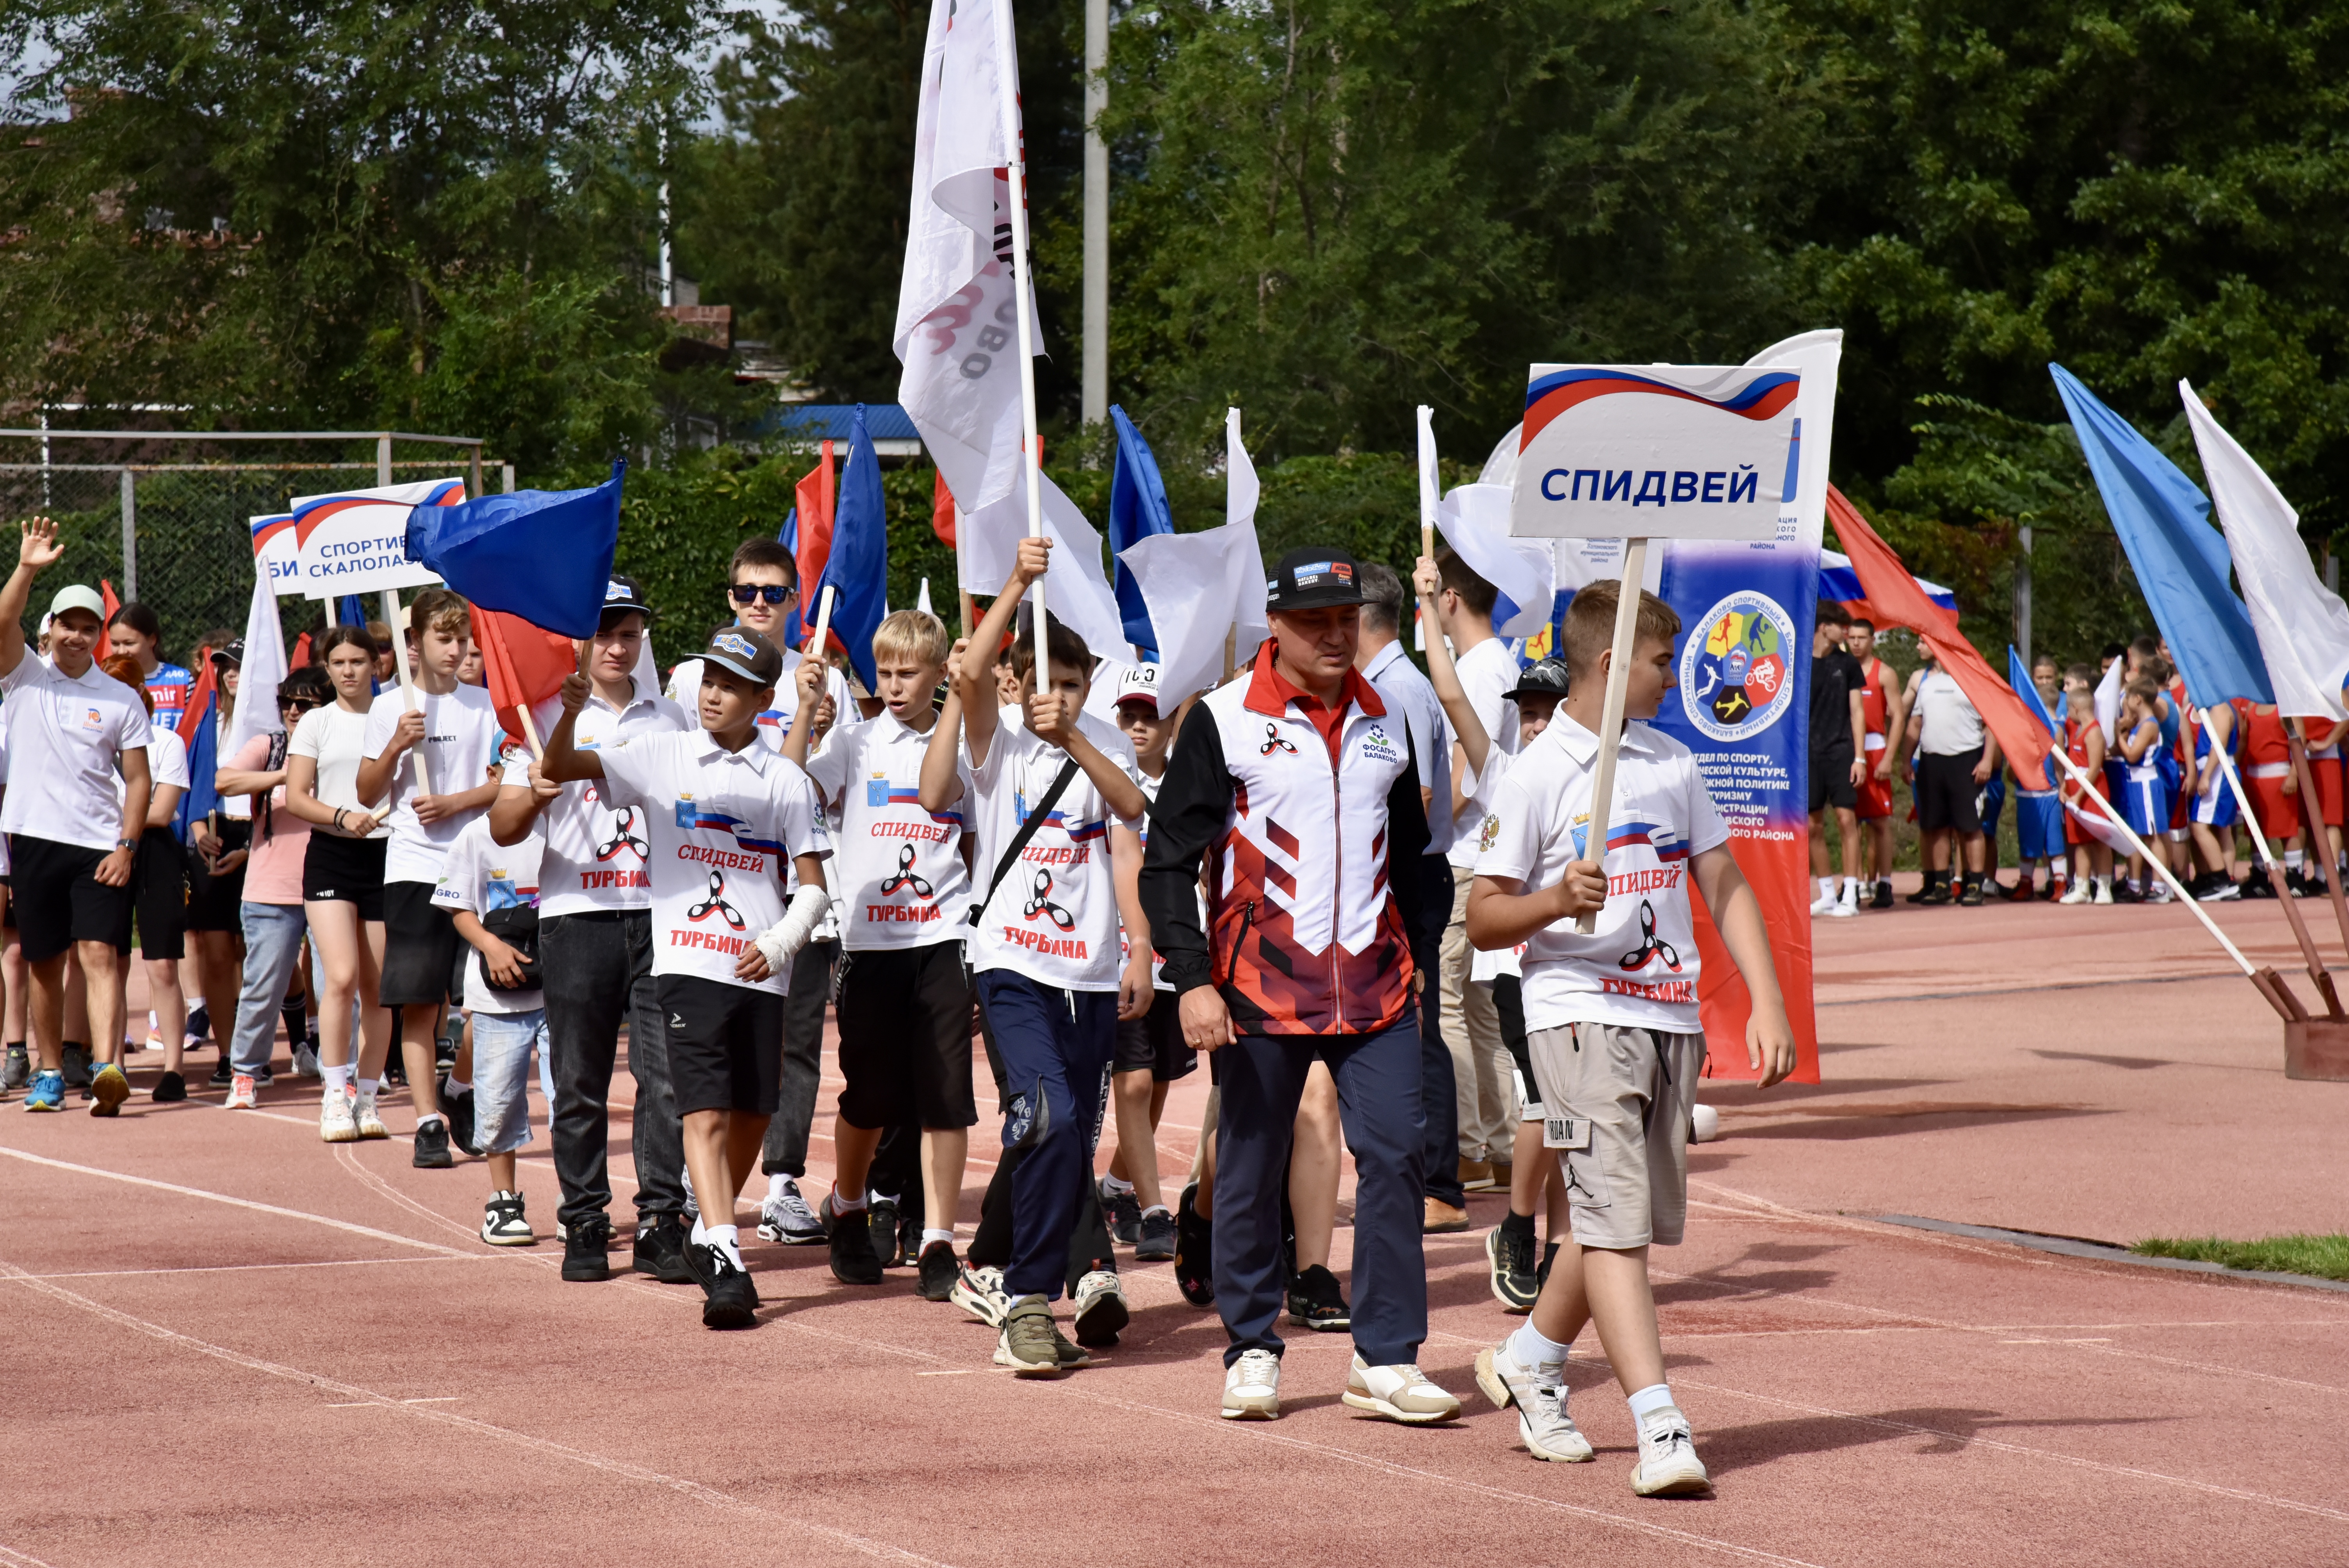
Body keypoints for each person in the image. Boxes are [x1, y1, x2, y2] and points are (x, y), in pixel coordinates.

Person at [1466, 577, 1795, 1495]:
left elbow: (1723, 884)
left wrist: (1766, 1003)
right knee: (1614, 1226)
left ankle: (1530, 1357)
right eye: (1659, 663)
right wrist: (1551, 900)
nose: (1671, 681)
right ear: (1611, 667)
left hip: (1668, 1016)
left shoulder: (1670, 763)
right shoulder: (1535, 772)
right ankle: (1659, 1421)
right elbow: (1487, 916)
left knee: (1617, 1220)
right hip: (1573, 1015)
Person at [1143, 545, 1454, 1425]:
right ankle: (1248, 1345)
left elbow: (1414, 855)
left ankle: (1386, 1357)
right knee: (1248, 1168)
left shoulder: (1386, 716)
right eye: (1314, 620)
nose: (1333, 634)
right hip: (1256, 990)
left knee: (1396, 1155)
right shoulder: (1224, 717)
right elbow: (1167, 864)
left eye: (1347, 618)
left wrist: (1420, 950)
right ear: (1273, 624)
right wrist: (1192, 979)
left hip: (1377, 986)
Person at [545, 624, 832, 1329]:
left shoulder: (789, 780)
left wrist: (785, 938)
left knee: (754, 1113)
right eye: (708, 680)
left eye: (730, 685)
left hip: (762, 969)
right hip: (686, 962)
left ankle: (707, 1228)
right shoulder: (660, 752)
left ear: (764, 698)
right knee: (701, 1109)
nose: (712, 695)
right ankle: (727, 1255)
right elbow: (565, 767)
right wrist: (570, 713)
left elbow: (816, 885)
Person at [920, 538, 1150, 1375]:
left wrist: (1139, 952)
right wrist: (1016, 579)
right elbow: (969, 678)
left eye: (1073, 682)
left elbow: (1130, 817)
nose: (1057, 695)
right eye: (1043, 680)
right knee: (1045, 1115)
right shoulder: (998, 737)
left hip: (1089, 970)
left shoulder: (1103, 741)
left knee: (1064, 1139)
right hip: (1011, 960)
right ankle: (1025, 1298)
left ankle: (1026, 1283)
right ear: (1020, 678)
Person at [487, 577, 695, 1283]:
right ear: (579, 640)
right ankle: (584, 1218)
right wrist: (539, 790)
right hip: (576, 919)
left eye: (629, 632)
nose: (617, 645)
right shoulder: (541, 716)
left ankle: (664, 1220)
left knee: (663, 1078)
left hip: (659, 915)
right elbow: (505, 824)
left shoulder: (671, 719)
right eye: (604, 632)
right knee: (578, 1079)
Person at [780, 608, 978, 1297]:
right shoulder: (853, 741)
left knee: (948, 1095)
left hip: (943, 936)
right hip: (868, 941)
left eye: (908, 673)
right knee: (870, 1096)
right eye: (885, 672)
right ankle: (850, 1204)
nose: (894, 685)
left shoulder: (965, 745)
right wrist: (807, 713)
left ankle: (939, 1240)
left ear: (938, 676)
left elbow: (974, 841)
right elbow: (786, 787)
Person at [670, 540, 844, 1252]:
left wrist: (812, 716)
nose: (760, 605)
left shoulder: (822, 683)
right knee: (706, 1064)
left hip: (794, 904)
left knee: (791, 1054)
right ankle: (696, 1192)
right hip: (717, 901)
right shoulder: (694, 681)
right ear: (730, 595)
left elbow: (800, 799)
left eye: (774, 593)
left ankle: (781, 1184)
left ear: (795, 600)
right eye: (747, 592)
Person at [1412, 556, 1569, 1313]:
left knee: (1566, 1118)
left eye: (1548, 711)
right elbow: (1448, 693)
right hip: (1519, 967)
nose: (1534, 722)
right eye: (1526, 711)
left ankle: (1554, 1244)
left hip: (1581, 977)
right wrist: (1424, 610)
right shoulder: (1506, 769)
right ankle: (1518, 1226)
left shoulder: (1592, 779)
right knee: (1545, 1102)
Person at [1, 520, 151, 1117]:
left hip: (98, 845)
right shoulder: (22, 676)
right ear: (52, 629)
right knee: (44, 963)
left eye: (90, 628)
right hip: (34, 839)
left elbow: (139, 779)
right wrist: (28, 567)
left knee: (98, 953)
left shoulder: (120, 698)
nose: (78, 637)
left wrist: (127, 845)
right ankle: (45, 1073)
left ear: (101, 637)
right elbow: (2, 623)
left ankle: (108, 1067)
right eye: (69, 625)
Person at [355, 590, 507, 1165]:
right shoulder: (388, 706)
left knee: (490, 996)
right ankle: (426, 1121)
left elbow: (505, 780)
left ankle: (460, 1087)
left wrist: (456, 802)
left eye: (462, 639)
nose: (456, 649)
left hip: (478, 865)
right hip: (415, 867)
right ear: (413, 643)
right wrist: (397, 742)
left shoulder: (486, 705)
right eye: (444, 639)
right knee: (420, 1001)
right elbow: (367, 793)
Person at [1351, 561, 1467, 1235]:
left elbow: (1415, 799)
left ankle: (1440, 1183)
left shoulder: (1396, 689)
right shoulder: (1393, 683)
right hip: (1406, 871)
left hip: (1410, 872)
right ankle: (1425, 1175)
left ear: (1361, 617)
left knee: (1417, 1028)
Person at [1424, 549, 1519, 1196]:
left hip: (1464, 854)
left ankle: (1467, 1148)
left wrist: (1425, 829)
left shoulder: (1482, 667)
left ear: (1451, 597)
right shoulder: (1493, 662)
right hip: (1480, 852)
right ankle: (1501, 1144)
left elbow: (1467, 769)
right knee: (1477, 1010)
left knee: (1449, 1008)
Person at [286, 626, 396, 1139]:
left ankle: (368, 1098)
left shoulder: (397, 713)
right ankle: (335, 1095)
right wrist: (341, 816)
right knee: (343, 977)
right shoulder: (316, 722)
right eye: (339, 663)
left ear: (376, 664)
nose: (349, 671)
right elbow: (295, 796)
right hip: (331, 856)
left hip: (389, 857)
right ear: (327, 670)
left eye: (358, 661)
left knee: (378, 988)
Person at [1100, 662, 1192, 1264]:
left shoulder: (1192, 785)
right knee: (1131, 1081)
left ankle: (1114, 1186)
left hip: (1178, 958)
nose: (1136, 725)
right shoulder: (1109, 779)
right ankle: (1157, 1209)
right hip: (1120, 955)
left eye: (1149, 714)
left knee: (1157, 1081)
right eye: (1127, 713)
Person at [216, 667, 331, 1109]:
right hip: (271, 886)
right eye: (288, 703)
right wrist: (288, 776)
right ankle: (246, 1071)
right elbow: (226, 780)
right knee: (263, 982)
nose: (294, 711)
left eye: (305, 704)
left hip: (331, 883)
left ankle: (346, 1073)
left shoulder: (344, 746)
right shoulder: (269, 745)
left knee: (338, 983)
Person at [433, 807, 549, 1245]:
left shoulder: (565, 826)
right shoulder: (476, 834)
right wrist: (490, 946)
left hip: (562, 989)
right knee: (498, 1097)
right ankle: (503, 1201)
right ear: (493, 775)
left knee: (571, 1098)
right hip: (497, 993)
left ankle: (576, 1203)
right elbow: (458, 906)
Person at [104, 653, 194, 1102]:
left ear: (141, 694)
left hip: (154, 852)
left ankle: (174, 1068)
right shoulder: (92, 742)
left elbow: (161, 811)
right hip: (103, 851)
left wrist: (125, 825)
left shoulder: (166, 742)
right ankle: (112, 1066)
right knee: (111, 963)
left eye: (126, 689)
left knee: (161, 963)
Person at [188, 636, 260, 1078]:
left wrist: (253, 848)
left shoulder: (276, 723)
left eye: (240, 663)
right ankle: (229, 1054)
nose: (232, 672)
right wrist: (198, 831)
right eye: (225, 665)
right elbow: (195, 785)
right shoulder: (209, 722)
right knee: (217, 952)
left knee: (261, 951)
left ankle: (295, 1037)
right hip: (216, 834)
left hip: (262, 837)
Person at [1902, 654, 2000, 905]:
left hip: (1966, 760)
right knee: (1935, 826)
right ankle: (1942, 882)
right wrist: (1905, 760)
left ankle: (1975, 883)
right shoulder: (1928, 684)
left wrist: (1987, 760)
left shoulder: (1974, 683)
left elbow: (1992, 725)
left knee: (1970, 826)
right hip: (1932, 760)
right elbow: (1915, 724)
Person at [1807, 604, 1867, 918]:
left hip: (1842, 751)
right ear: (1823, 627)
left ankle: (1852, 894)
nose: (1845, 633)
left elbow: (1858, 712)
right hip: (1809, 754)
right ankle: (1828, 894)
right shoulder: (1800, 662)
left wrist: (1860, 758)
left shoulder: (1848, 664)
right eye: (1840, 627)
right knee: (1812, 827)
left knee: (1847, 821)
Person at [1847, 620, 1904, 909]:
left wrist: (1889, 757)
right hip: (1848, 750)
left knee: (1881, 823)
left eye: (1862, 638)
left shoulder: (1885, 673)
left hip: (1875, 747)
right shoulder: (1842, 668)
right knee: (1850, 821)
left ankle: (1885, 883)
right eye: (1852, 637)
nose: (1856, 643)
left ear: (1872, 640)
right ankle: (1854, 886)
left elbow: (1898, 717)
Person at [2116, 681, 2173, 902]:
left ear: (2137, 699)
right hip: (2135, 782)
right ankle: (2135, 884)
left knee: (2154, 835)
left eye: (2129, 698)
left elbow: (2132, 755)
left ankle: (2159, 887)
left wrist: (2119, 735)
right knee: (2137, 835)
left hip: (2146, 782)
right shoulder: (2140, 724)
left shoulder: (2149, 725)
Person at [2058, 682, 2115, 904]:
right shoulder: (2075, 729)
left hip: (2091, 790)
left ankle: (2104, 886)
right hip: (2074, 788)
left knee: (2099, 839)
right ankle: (2082, 886)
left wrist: (2080, 795)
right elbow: (2070, 762)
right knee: (2080, 841)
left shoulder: (2094, 732)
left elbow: (2093, 768)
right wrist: (2064, 787)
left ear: (2076, 708)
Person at [2185, 698, 2242, 900]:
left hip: (2218, 771)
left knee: (2199, 827)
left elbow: (2219, 744)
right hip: (2221, 770)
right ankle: (2227, 878)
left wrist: (2207, 776)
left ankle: (2221, 879)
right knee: (2223, 829)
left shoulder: (2219, 708)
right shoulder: (2223, 707)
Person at [105, 600, 193, 728]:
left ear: (152, 640)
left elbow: (197, 731)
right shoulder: (106, 681)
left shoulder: (183, 680)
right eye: (115, 644)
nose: (122, 651)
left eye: (129, 643)